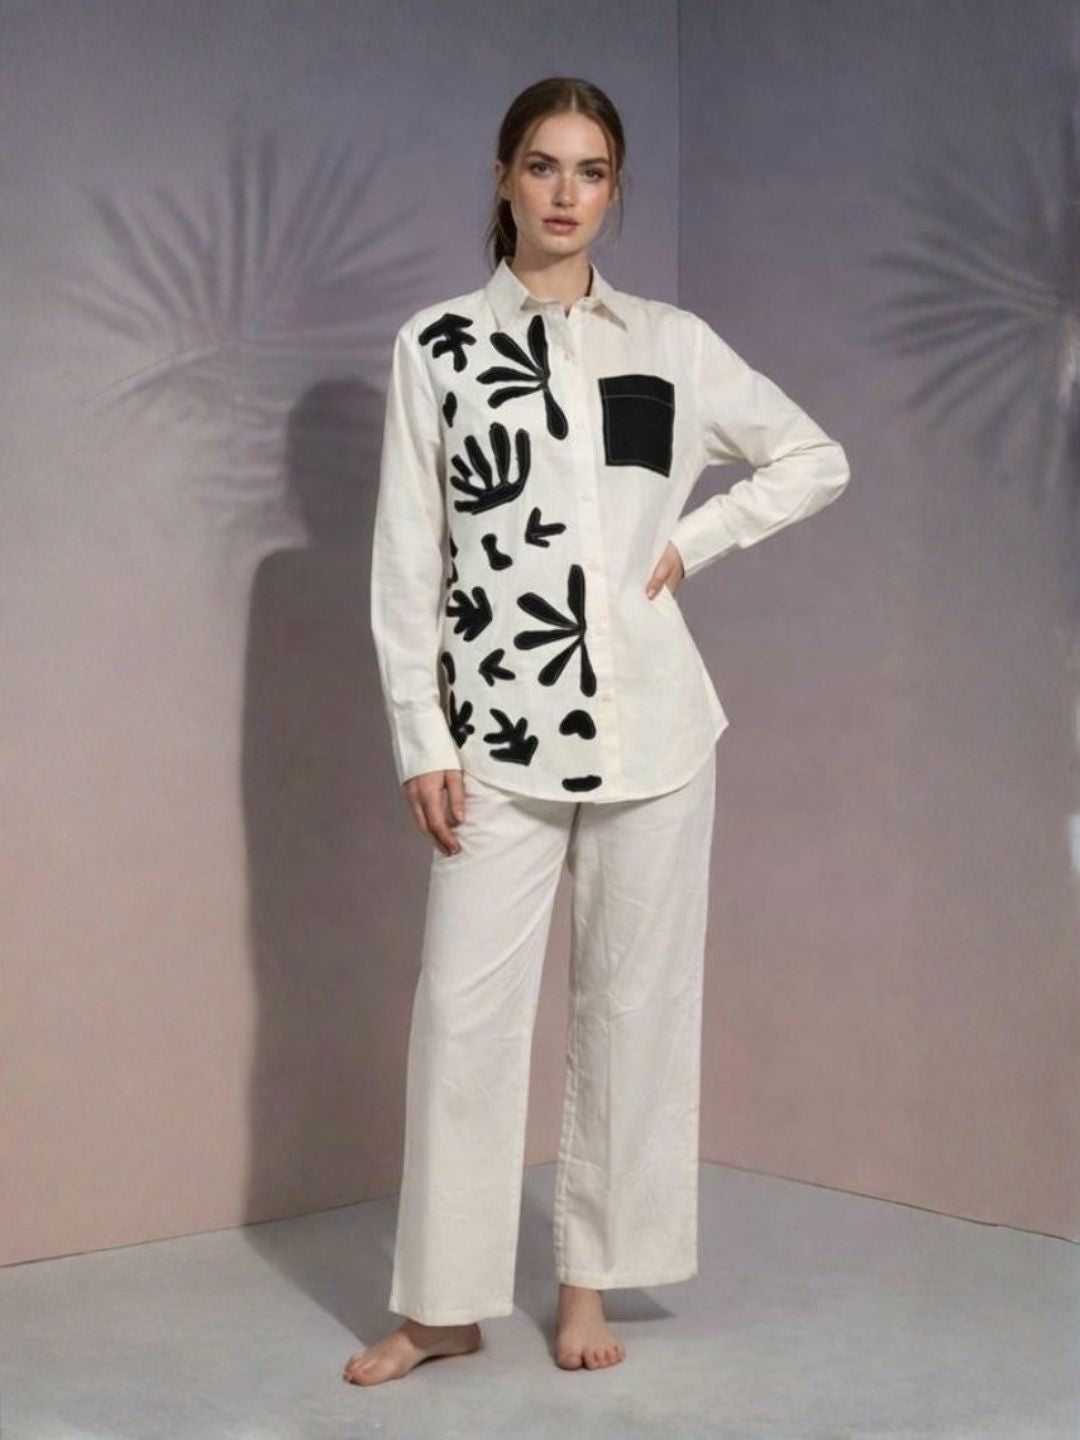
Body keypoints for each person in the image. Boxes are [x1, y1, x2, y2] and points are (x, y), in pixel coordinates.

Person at [344, 76, 849, 1385]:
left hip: (656, 733)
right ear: (504, 178)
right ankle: (443, 1305)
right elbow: (408, 556)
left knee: (631, 1012)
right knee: (463, 1019)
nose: (567, 193)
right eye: (543, 165)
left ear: (615, 190)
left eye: (593, 170)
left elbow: (813, 458)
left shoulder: (671, 344)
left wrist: (697, 537)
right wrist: (421, 737)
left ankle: (588, 1285)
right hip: (495, 735)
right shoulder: (438, 347)